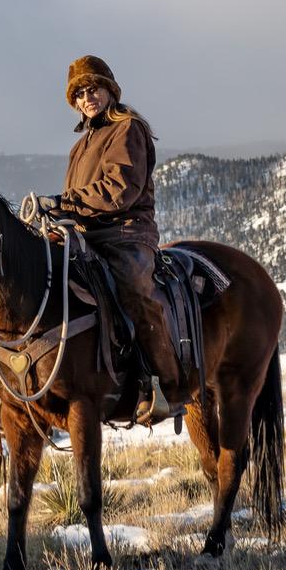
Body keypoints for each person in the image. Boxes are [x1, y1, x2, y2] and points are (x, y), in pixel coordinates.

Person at [36, 54, 185, 421]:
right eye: (80, 93)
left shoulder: (127, 128)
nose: (88, 97)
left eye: (94, 88)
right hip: (87, 235)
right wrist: (55, 214)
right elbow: (79, 201)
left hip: (125, 233)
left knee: (134, 289)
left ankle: (165, 386)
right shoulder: (80, 145)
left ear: (109, 91)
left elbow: (120, 189)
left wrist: (64, 202)